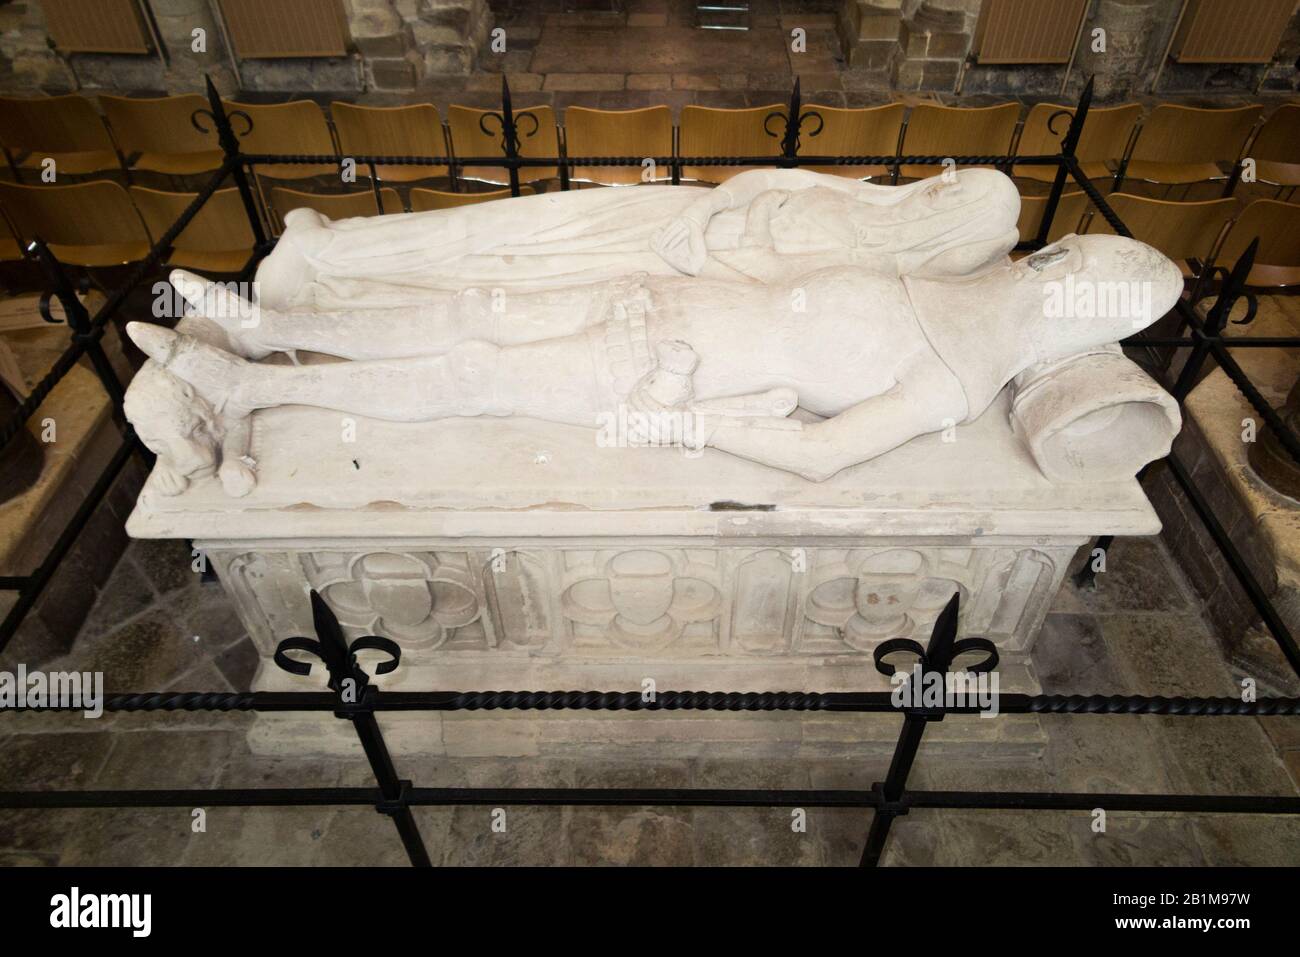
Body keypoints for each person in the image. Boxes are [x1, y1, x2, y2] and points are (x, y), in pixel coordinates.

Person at [125, 233, 1181, 492]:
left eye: (1081, 279)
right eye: (1072, 254)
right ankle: (260, 324)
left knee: (469, 371)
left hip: (660, 368)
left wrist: (680, 420)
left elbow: (818, 458)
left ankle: (255, 384)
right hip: (656, 298)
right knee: (463, 309)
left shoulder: (958, 376)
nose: (1054, 266)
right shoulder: (963, 275)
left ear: (1076, 321)